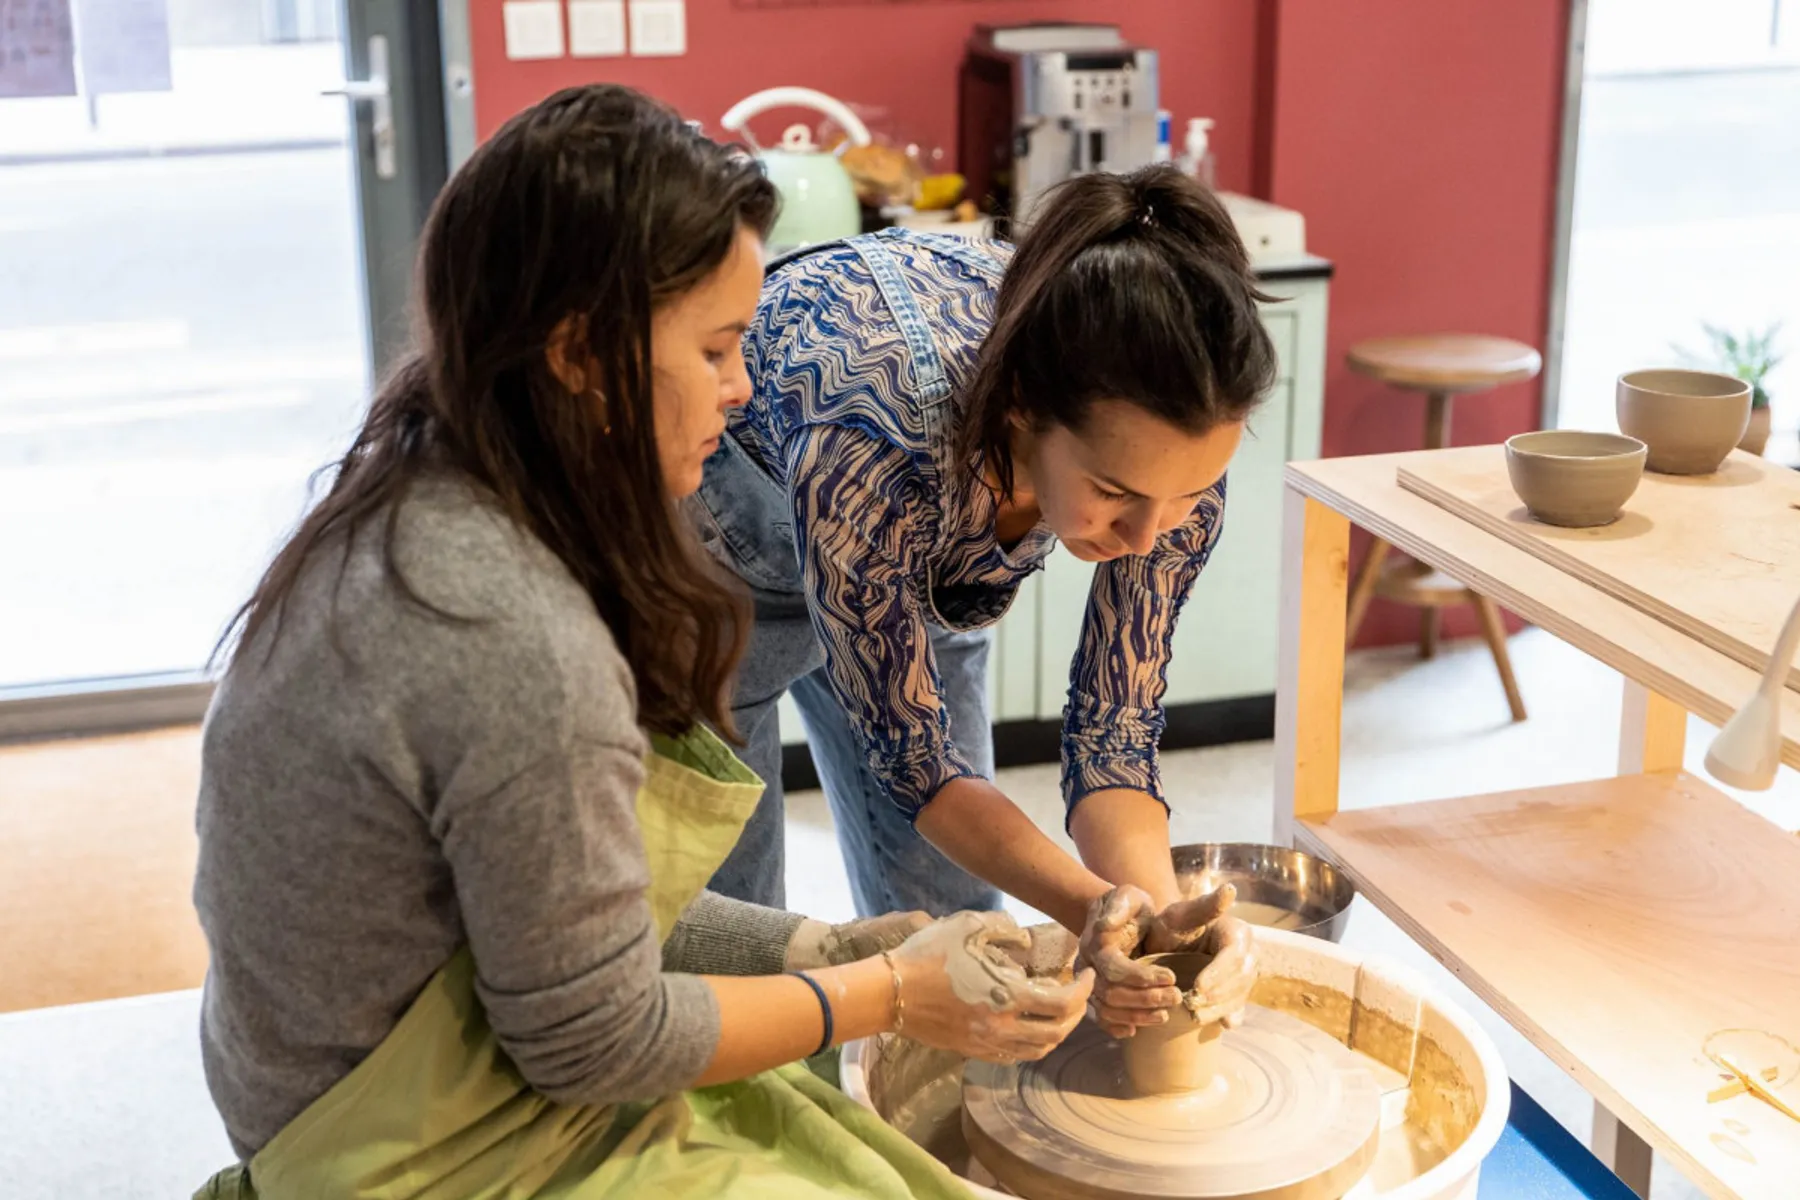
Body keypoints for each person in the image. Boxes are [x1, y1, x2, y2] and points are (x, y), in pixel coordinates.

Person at [190, 84, 1093, 1200]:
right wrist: (891, 995)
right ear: (579, 353)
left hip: (378, 1056)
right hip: (393, 1136)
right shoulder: (507, 632)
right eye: (717, 348)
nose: (743, 385)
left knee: (833, 1122)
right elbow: (588, 1039)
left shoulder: (429, 485)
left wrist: (820, 950)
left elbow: (576, 917)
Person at [693, 164, 1274, 1038]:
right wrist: (1092, 910)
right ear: (1020, 411)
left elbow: (1115, 730)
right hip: (739, 555)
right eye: (1115, 493)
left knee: (965, 930)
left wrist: (1155, 922)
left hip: (921, 569)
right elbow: (916, 764)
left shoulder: (1171, 467)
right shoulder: (873, 434)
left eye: (1188, 496)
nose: (1149, 535)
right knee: (751, 948)